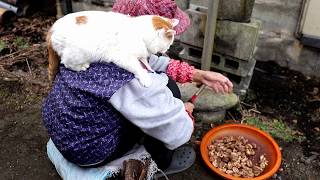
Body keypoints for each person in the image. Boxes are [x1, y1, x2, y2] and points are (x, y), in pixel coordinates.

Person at [42, 0, 233, 175]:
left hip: (65, 129)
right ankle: (162, 163)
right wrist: (184, 115)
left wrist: (197, 74)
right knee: (170, 93)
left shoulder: (94, 37)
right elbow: (177, 131)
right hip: (88, 150)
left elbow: (150, 60)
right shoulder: (128, 77)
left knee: (165, 88)